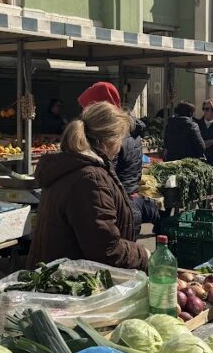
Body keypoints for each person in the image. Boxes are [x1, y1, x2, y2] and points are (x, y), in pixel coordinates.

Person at [28, 101, 149, 272]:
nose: (121, 145)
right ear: (110, 140)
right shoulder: (90, 179)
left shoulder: (74, 166)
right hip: (70, 285)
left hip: (58, 277)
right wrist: (143, 255)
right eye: (120, 139)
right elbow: (106, 249)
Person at [77, 81, 160, 230]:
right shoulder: (130, 130)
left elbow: (103, 176)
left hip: (117, 209)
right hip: (127, 202)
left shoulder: (116, 137)